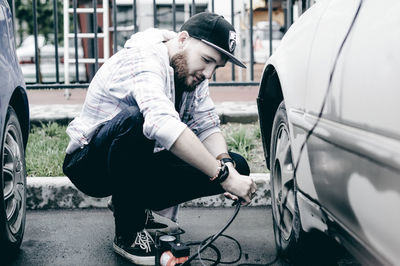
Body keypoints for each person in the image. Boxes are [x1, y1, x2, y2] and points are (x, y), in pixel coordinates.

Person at [63, 12, 257, 265]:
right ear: (183, 39)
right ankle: (128, 231)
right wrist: (222, 176)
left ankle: (136, 205)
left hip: (133, 163)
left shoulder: (191, 72)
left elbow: (206, 124)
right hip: (90, 165)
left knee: (237, 164)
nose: (208, 73)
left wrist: (227, 167)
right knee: (138, 120)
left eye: (216, 67)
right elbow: (161, 124)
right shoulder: (143, 58)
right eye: (207, 60)